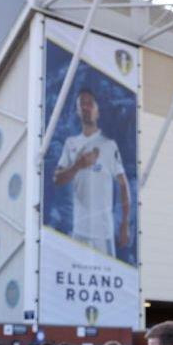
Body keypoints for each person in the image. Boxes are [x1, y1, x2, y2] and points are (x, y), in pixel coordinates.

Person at [52, 87, 132, 256]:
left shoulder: (109, 145)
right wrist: (77, 166)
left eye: (90, 104)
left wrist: (124, 224)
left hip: (104, 233)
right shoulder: (70, 144)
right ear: (77, 111)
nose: (86, 107)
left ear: (97, 111)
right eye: (82, 104)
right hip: (80, 230)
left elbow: (123, 186)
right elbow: (57, 179)